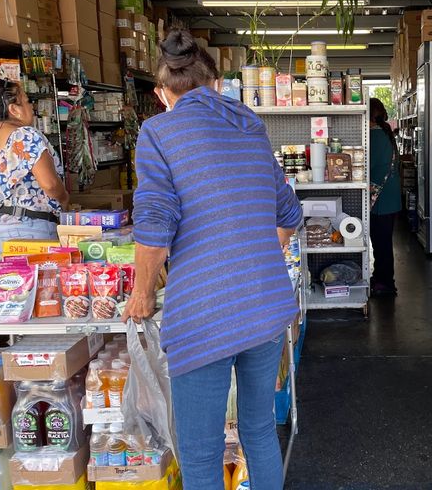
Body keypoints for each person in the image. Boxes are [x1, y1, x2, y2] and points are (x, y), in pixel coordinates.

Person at [122, 29, 303, 490]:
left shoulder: (158, 132)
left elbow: (155, 228)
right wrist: (255, 258)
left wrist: (142, 294)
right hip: (265, 308)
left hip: (203, 316)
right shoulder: (251, 125)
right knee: (260, 430)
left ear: (163, 93)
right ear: (216, 83)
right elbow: (288, 213)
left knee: (201, 453)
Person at [0, 80, 68, 265]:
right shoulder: (25, 135)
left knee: (6, 290)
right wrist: (64, 199)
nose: (30, 106)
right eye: (25, 100)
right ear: (13, 109)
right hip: (31, 232)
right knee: (38, 290)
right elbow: (50, 184)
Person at [369, 97, 401, 296]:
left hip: (380, 200)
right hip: (389, 198)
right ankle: (382, 277)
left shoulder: (373, 137)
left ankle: (385, 283)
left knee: (380, 243)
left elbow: (368, 168)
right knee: (384, 242)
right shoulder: (385, 134)